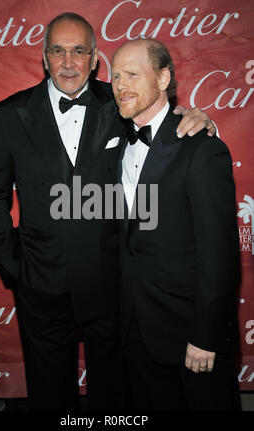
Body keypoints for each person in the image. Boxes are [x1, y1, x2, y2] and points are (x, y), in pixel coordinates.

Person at [0, 12, 216, 411]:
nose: (68, 62)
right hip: (41, 286)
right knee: (50, 396)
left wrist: (198, 119)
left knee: (117, 396)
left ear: (94, 58)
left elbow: (165, 131)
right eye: (58, 51)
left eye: (78, 51)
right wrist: (15, 265)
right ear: (43, 58)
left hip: (114, 285)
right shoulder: (9, 114)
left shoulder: (120, 103)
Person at [111, 38, 241, 411]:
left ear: (164, 77)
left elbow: (219, 256)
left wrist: (206, 336)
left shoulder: (201, 147)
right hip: (135, 330)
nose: (120, 85)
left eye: (133, 74)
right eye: (116, 76)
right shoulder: (116, 141)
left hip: (191, 336)